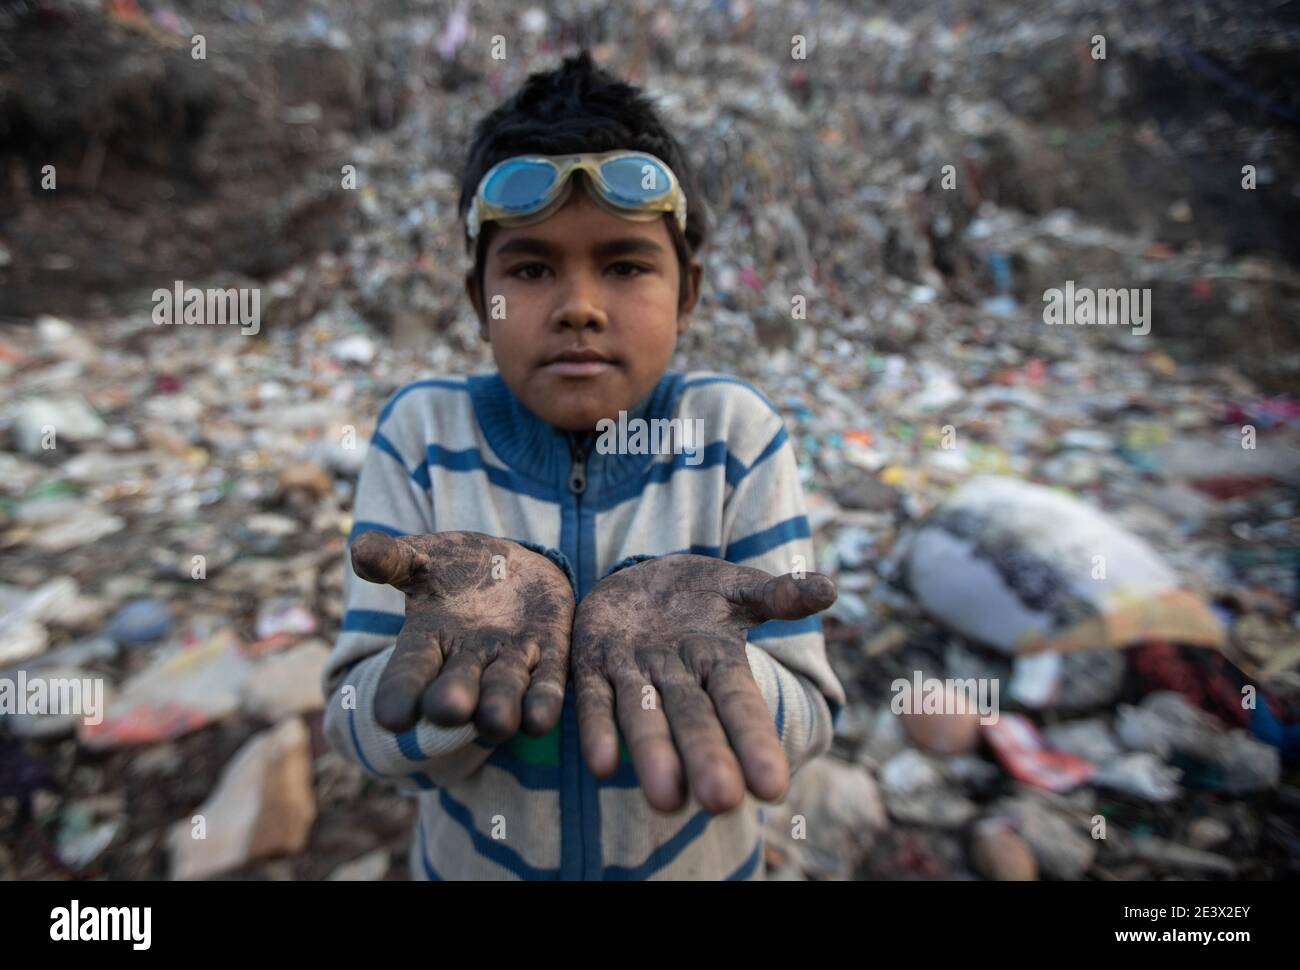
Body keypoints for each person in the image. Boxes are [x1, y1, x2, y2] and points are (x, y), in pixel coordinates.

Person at [322, 50, 845, 880]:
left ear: (689, 293)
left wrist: (726, 666)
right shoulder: (421, 437)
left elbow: (811, 713)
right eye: (530, 268)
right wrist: (454, 684)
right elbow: (355, 722)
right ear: (475, 299)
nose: (579, 307)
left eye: (625, 264)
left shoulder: (732, 438)